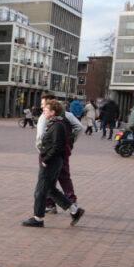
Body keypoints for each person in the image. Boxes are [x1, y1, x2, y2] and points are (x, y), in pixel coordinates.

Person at [22, 99, 85, 228]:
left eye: (46, 109)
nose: (43, 111)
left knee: (40, 190)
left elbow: (57, 146)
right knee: (50, 189)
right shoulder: (55, 123)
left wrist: (46, 159)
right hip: (54, 161)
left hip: (51, 162)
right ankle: (74, 211)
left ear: (53, 112)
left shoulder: (58, 126)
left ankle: (38, 218)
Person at [36, 93, 82, 213]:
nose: (41, 107)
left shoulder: (45, 117)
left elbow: (40, 136)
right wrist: (70, 141)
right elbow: (79, 127)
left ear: (50, 105)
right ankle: (72, 203)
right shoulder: (67, 115)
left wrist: (42, 152)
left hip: (50, 153)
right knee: (63, 177)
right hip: (63, 152)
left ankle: (49, 206)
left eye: (43, 104)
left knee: (46, 183)